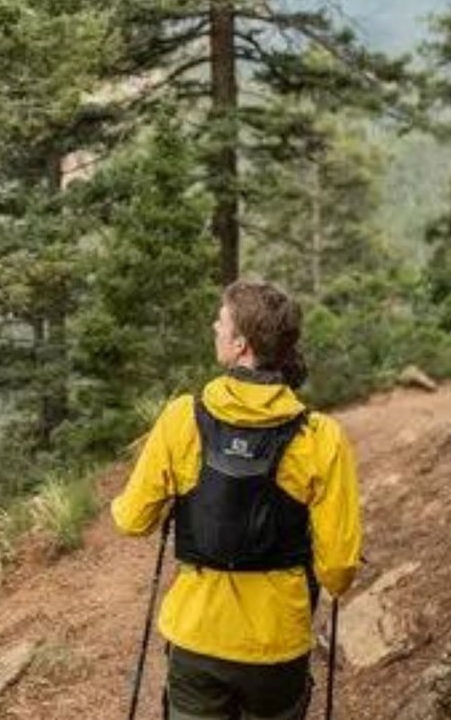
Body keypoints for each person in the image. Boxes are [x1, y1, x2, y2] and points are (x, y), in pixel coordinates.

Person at [112, 280, 363, 720]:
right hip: (277, 644)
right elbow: (339, 571)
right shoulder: (321, 437)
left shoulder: (181, 419)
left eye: (221, 321)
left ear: (241, 345)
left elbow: (132, 520)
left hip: (196, 636)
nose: (214, 325)